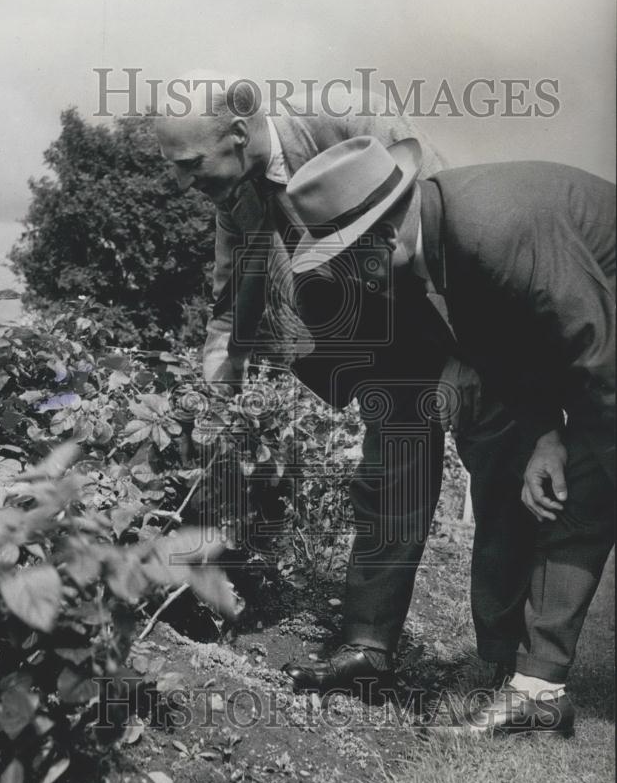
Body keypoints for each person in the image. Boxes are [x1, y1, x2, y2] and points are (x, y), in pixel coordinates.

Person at [155, 75, 537, 700]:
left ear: (239, 133)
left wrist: (471, 353)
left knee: (499, 473)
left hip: (450, 314)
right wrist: (221, 352)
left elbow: (446, 222)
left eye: (189, 164)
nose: (181, 181)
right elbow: (234, 280)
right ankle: (367, 645)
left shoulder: (352, 121)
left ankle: (501, 660)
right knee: (392, 481)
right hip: (380, 339)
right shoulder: (232, 188)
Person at [285, 135, 615, 735]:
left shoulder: (492, 230)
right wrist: (544, 434)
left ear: (381, 236)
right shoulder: (439, 250)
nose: (348, 278)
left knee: (592, 479)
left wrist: (580, 443)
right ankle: (538, 687)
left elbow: (598, 358)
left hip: (605, 324)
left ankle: (539, 688)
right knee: (565, 479)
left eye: (346, 260)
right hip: (591, 327)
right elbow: (510, 349)